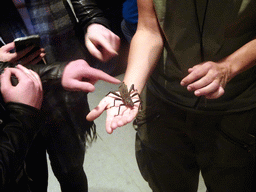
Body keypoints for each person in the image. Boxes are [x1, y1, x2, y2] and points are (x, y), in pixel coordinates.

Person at [87, 0, 256, 191]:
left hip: (236, 104)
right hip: (164, 101)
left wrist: (229, 66)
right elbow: (148, 30)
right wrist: (128, 90)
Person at [0, 0, 120, 191]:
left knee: (71, 169)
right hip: (13, 100)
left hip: (64, 86)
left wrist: (93, 21)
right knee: (30, 172)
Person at [0, 61, 120, 191]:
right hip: (19, 119)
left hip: (46, 102)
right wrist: (22, 114)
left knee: (70, 169)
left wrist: (60, 72)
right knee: (34, 171)